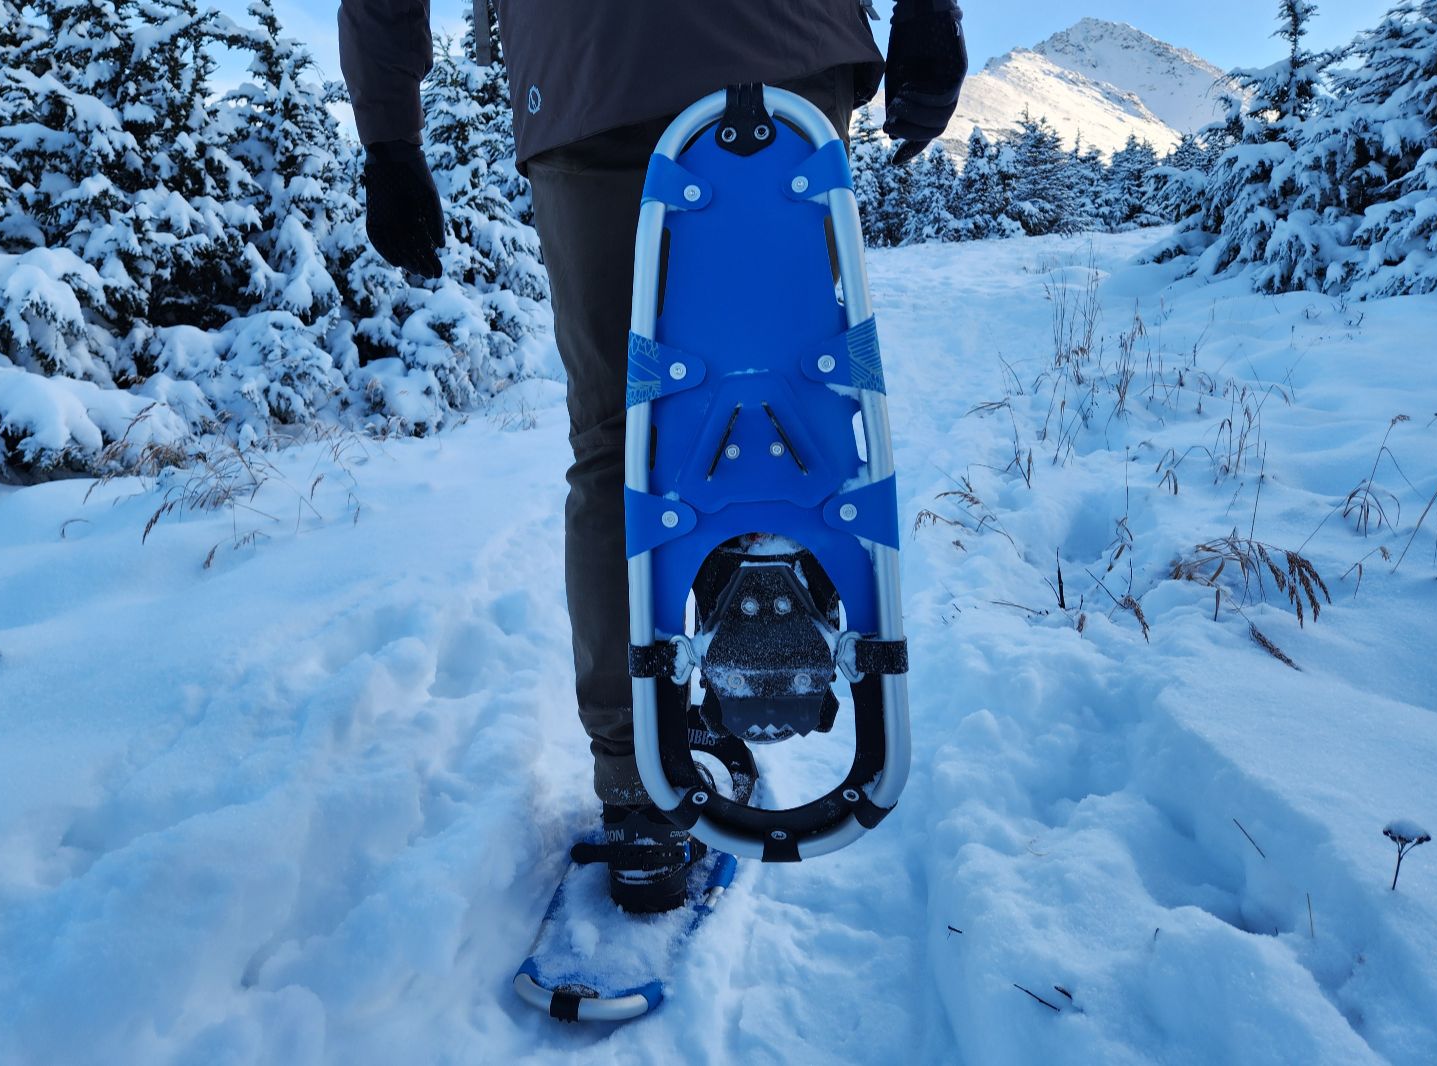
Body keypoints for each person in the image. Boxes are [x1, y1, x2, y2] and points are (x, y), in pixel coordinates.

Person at [339, 0, 966, 912]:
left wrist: (388, 137)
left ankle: (641, 793)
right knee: (789, 390)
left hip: (588, 75)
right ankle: (761, 627)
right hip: (787, 47)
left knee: (617, 443)